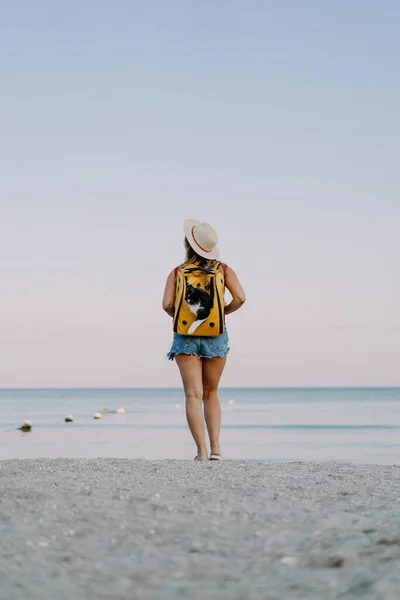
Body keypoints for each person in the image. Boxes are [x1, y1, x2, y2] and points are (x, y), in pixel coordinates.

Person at [162, 219, 246, 461]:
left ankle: (201, 452)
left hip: (184, 336)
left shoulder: (177, 272)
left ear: (189, 244)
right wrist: (221, 314)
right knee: (211, 393)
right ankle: (216, 450)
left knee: (193, 395)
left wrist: (182, 319)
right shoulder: (223, 270)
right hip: (216, 334)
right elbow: (240, 298)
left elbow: (167, 304)